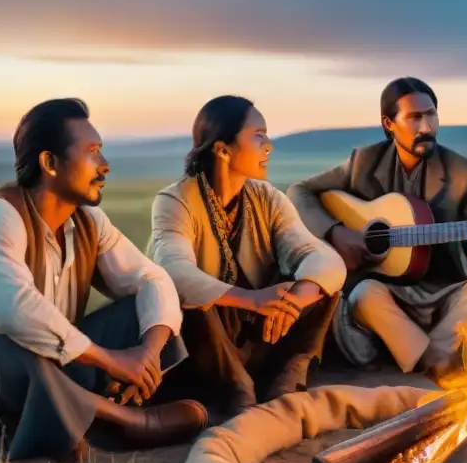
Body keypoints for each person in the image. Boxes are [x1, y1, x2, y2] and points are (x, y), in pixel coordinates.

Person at [0, 99, 208, 463]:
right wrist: (111, 361)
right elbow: (12, 312)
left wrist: (144, 353)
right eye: (92, 152)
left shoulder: (88, 223)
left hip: (47, 368)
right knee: (9, 338)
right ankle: (119, 417)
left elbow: (152, 279)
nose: (104, 165)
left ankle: (55, 417)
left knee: (143, 312)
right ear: (49, 163)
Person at [287, 76, 467, 385]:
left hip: (443, 294)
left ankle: (428, 356)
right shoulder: (362, 163)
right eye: (414, 117)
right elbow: (299, 191)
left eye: (431, 114)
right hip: (386, 294)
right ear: (389, 122)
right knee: (365, 294)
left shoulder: (465, 172)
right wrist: (336, 232)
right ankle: (435, 360)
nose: (426, 127)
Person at [147, 96, 346, 415]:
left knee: (319, 283)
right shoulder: (175, 201)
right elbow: (174, 271)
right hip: (205, 347)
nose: (269, 145)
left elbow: (321, 256)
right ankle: (237, 391)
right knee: (193, 298)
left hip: (259, 332)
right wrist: (251, 299)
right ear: (222, 149)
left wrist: (292, 300)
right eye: (258, 135)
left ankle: (290, 373)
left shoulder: (268, 198)